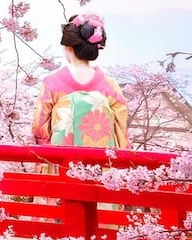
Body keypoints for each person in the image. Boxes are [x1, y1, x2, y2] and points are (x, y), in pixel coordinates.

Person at [32, 14, 129, 149]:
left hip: (61, 157)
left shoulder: (52, 83)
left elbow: (40, 126)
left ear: (68, 48)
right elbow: (121, 130)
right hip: (101, 158)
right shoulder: (110, 86)